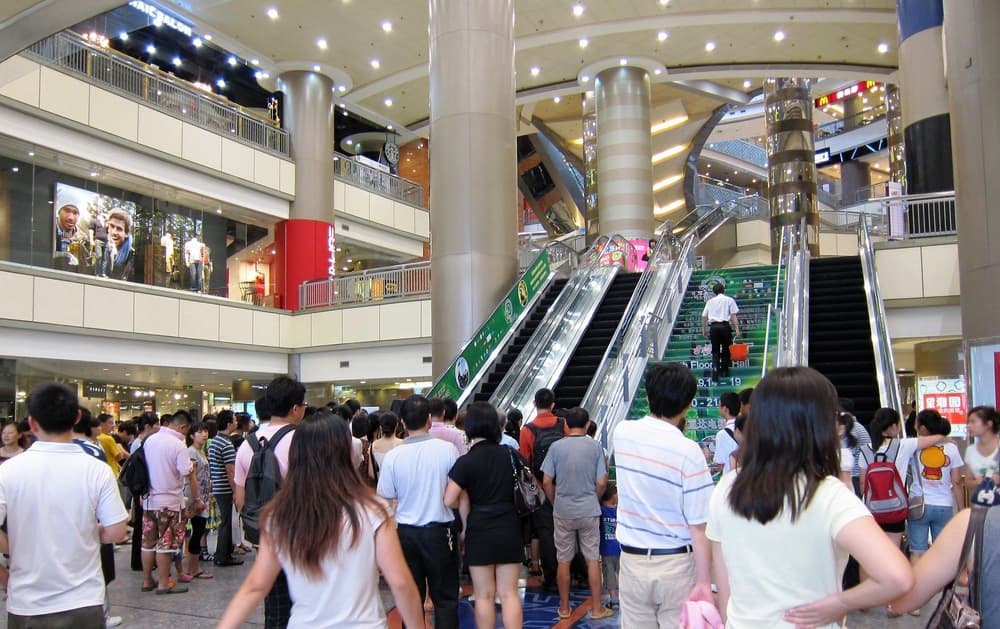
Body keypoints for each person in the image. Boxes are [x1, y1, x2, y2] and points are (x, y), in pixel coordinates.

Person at [709, 367, 915, 628]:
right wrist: (840, 603)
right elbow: (897, 578)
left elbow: (724, 581)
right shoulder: (829, 495)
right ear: (818, 425)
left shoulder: (728, 487)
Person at [218, 413, 424, 629]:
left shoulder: (280, 515)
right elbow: (400, 583)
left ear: (296, 454)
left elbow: (256, 586)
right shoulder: (373, 509)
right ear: (345, 453)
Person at [0, 383, 128, 628]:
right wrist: (86, 532)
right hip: (84, 599)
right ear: (77, 417)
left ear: (32, 423)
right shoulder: (97, 470)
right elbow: (116, 531)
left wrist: (8, 561)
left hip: (26, 601)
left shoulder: (9, 470)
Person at [612, 363, 714, 627]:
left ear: (648, 397)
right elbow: (699, 526)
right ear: (688, 405)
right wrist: (705, 582)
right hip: (677, 565)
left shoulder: (622, 433)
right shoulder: (689, 452)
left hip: (632, 562)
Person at [377, 395, 460, 629]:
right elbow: (456, 492)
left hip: (406, 534)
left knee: (410, 599)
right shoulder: (448, 450)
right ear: (429, 419)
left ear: (402, 422)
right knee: (445, 600)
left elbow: (385, 495)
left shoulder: (393, 456)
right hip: (440, 533)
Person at [444, 401, 523, 629]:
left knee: (483, 595)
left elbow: (449, 499)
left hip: (479, 529)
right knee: (509, 594)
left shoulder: (466, 461)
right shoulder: (510, 454)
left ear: (469, 427)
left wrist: (465, 501)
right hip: (509, 526)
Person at [234, 376, 306, 629]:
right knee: (304, 604)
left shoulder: (247, 444)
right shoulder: (303, 440)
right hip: (299, 535)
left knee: (274, 603)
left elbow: (240, 497)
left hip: (263, 533)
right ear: (295, 408)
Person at [540, 407, 611, 621]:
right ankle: (597, 608)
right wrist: (594, 498)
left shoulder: (556, 447)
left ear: (566, 425)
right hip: (589, 509)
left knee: (563, 560)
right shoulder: (595, 447)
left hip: (563, 510)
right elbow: (602, 482)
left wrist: (555, 501)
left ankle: (564, 608)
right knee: (592, 559)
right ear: (587, 424)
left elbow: (546, 481)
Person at [888, 507, 999, 623]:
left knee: (917, 552)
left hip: (922, 511)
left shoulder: (973, 523)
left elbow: (905, 600)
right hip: (943, 508)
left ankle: (915, 609)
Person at [858, 407, 946, 549]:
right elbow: (937, 438)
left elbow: (862, 482)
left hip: (872, 509)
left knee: (874, 548)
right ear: (894, 426)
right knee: (893, 548)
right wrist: (946, 439)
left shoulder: (865, 450)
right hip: (895, 507)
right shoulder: (904, 445)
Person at [141, 410, 203, 595]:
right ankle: (163, 584)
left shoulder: (150, 440)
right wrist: (197, 498)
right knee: (165, 544)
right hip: (170, 501)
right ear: (183, 427)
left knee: (148, 543)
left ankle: (147, 580)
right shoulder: (178, 444)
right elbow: (187, 472)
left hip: (149, 500)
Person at [518, 388, 568, 591]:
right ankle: (575, 574)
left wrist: (532, 491)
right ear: (553, 404)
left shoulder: (527, 430)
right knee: (569, 531)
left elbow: (525, 463)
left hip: (540, 488)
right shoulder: (563, 424)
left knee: (546, 533)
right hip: (564, 487)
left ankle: (551, 579)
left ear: (534, 404)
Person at [908, 410, 964, 567]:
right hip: (944, 505)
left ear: (922, 428)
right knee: (942, 552)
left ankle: (917, 582)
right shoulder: (951, 448)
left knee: (917, 551)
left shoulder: (913, 446)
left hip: (918, 504)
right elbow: (957, 482)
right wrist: (961, 509)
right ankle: (940, 581)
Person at [209, 410, 243, 568]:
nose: (237, 423)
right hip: (225, 489)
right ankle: (223, 555)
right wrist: (236, 490)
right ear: (229, 424)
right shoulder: (227, 444)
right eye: (235, 420)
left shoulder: (215, 441)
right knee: (226, 522)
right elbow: (230, 470)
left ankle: (223, 552)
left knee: (224, 521)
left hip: (218, 486)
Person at [181, 421, 213, 581]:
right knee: (196, 531)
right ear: (192, 435)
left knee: (198, 531)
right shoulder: (191, 452)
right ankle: (192, 568)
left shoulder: (201, 451)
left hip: (202, 497)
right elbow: (191, 478)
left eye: (205, 431)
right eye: (200, 432)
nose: (204, 434)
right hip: (194, 497)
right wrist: (197, 499)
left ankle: (193, 567)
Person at [701, 283, 740, 382]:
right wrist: (737, 329)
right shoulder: (729, 300)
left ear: (714, 292)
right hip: (725, 326)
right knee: (726, 349)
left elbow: (704, 316)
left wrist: (704, 330)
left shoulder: (710, 302)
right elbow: (733, 316)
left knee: (715, 350)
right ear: (724, 290)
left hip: (713, 327)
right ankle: (724, 371)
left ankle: (715, 369)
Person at [964, 405, 999, 497]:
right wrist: (977, 482)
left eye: (973, 422)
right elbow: (967, 481)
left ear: (989, 424)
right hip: (981, 502)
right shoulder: (970, 450)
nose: (968, 426)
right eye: (968, 422)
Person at [600, 485, 621, 610]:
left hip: (607, 549)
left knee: (609, 574)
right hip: (620, 548)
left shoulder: (600, 511)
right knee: (622, 574)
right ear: (613, 496)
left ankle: (614, 600)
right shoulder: (619, 511)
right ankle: (625, 599)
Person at [712, 392, 741, 474]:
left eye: (719, 405)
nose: (718, 408)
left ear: (725, 409)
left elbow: (720, 466)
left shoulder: (722, 434)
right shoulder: (747, 428)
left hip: (731, 478)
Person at [106, 209, 135, 282]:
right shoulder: (107, 251)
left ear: (126, 234)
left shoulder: (131, 257)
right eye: (112, 226)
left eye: (119, 229)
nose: (114, 232)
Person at [96, 413, 127, 477]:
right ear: (102, 424)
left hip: (100, 472)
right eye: (110, 423)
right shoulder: (108, 438)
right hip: (112, 472)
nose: (113, 425)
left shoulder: (95, 437)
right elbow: (119, 456)